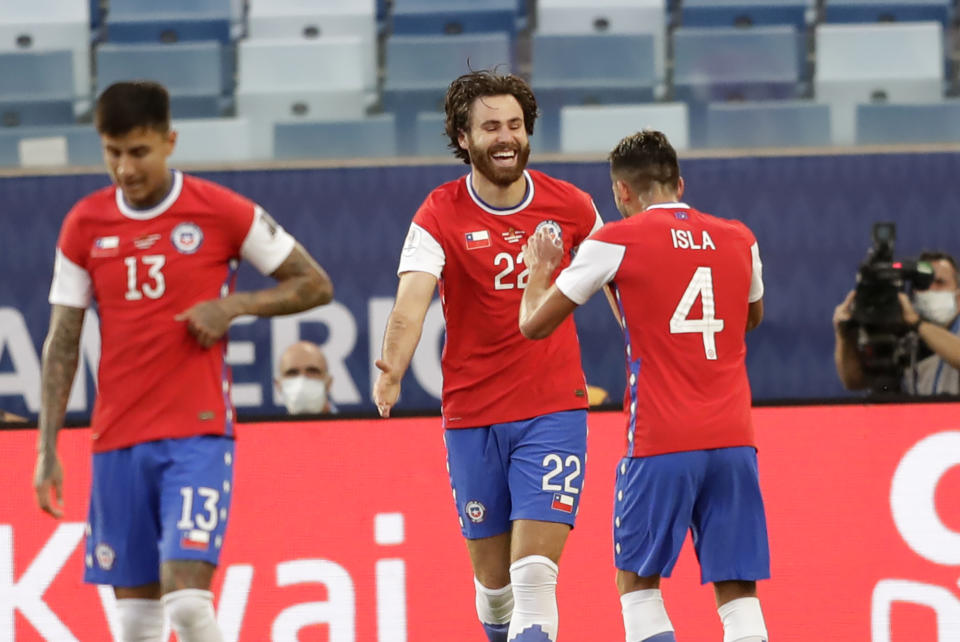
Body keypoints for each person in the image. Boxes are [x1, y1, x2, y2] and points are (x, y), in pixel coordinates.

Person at [34, 81, 333, 642]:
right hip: (116, 440)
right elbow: (63, 342)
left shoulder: (220, 210)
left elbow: (314, 284)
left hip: (195, 437)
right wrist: (47, 447)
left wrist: (234, 305)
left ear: (169, 142)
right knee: (134, 625)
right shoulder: (83, 225)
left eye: (138, 152)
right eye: (112, 153)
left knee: (189, 603)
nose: (125, 169)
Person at [373, 70, 603, 642]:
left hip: (554, 409)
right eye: (491, 127)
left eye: (516, 126)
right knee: (495, 589)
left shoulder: (572, 207)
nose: (506, 138)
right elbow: (410, 305)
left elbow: (620, 277)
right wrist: (392, 368)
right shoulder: (438, 213)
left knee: (534, 578)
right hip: (473, 413)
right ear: (463, 136)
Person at [519, 130, 769, 642]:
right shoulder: (740, 237)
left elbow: (534, 325)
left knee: (637, 581)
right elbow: (750, 317)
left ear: (622, 193)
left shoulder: (614, 239)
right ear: (679, 182)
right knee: (739, 589)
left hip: (661, 438)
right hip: (734, 439)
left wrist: (539, 272)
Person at [834, 250, 960, 394]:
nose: (930, 289)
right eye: (923, 284)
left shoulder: (915, 323)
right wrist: (844, 337)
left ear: (958, 297)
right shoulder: (903, 333)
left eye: (940, 283)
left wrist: (917, 323)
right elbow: (854, 382)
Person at [275, 340, 337, 414]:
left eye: (312, 371)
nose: (302, 380)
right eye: (292, 372)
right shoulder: (267, 425)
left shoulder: (351, 425)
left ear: (329, 383)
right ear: (278, 385)